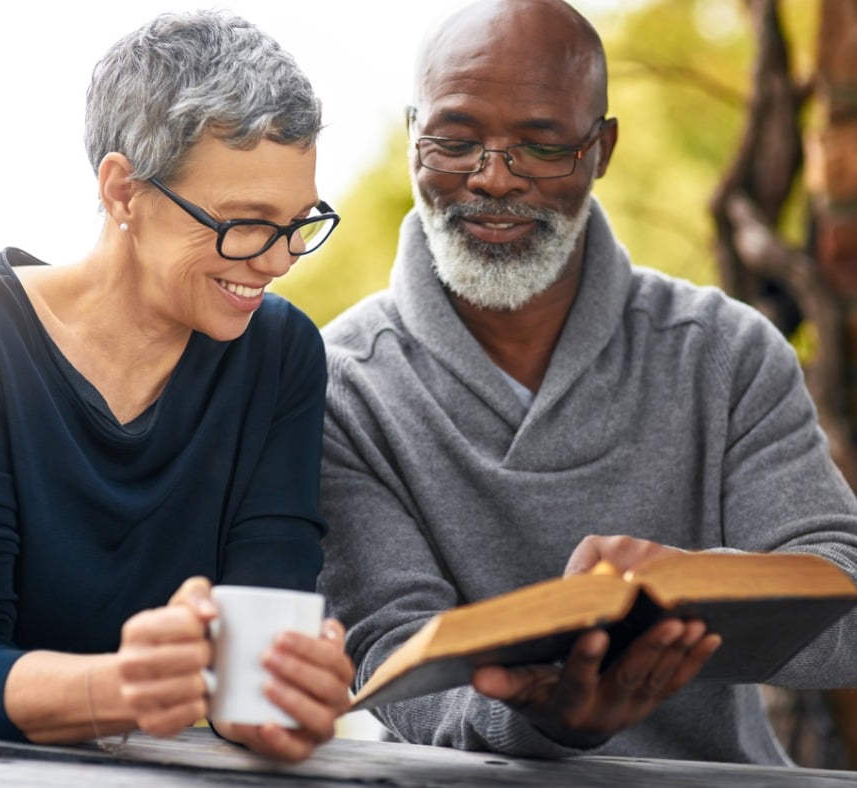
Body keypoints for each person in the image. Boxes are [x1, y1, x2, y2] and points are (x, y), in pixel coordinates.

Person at [317, 0, 857, 765]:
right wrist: (541, 721)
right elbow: (388, 657)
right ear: (413, 137)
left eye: (539, 147)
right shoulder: (341, 386)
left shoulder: (726, 353)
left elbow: (846, 613)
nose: (493, 178)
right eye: (455, 140)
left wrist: (692, 589)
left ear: (601, 149)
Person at [0, 9, 354, 762]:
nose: (279, 261)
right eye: (244, 223)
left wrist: (280, 698)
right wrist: (118, 689)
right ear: (123, 191)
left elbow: (251, 685)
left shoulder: (280, 354)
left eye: (297, 223)